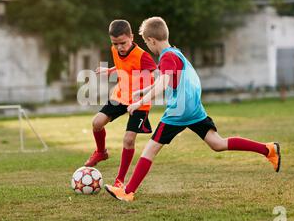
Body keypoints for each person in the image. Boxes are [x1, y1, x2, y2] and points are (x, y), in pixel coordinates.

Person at [105, 16, 281, 202]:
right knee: (217, 143)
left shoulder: (166, 58)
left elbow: (163, 85)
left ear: (151, 40)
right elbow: (164, 80)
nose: (148, 46)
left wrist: (139, 103)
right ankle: (268, 150)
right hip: (194, 108)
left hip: (179, 112)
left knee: (150, 150)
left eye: (147, 42)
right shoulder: (175, 53)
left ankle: (128, 192)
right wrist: (143, 90)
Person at [84, 20, 157, 189]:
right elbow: (122, 66)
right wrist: (109, 71)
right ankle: (101, 152)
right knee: (96, 123)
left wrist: (141, 99)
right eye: (115, 44)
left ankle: (120, 179)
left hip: (139, 103)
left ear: (131, 37)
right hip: (120, 96)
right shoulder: (115, 49)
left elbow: (155, 79)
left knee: (128, 140)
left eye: (123, 43)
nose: (119, 48)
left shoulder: (143, 57)